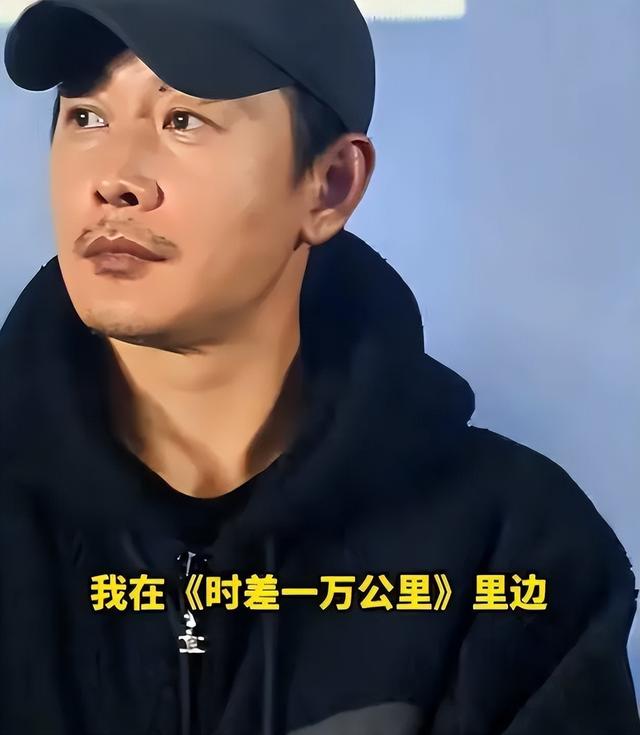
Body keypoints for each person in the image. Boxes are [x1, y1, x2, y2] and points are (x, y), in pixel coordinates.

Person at [1, 0, 638, 733]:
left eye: (183, 120)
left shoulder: (511, 549)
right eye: (86, 117)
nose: (114, 179)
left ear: (330, 183)